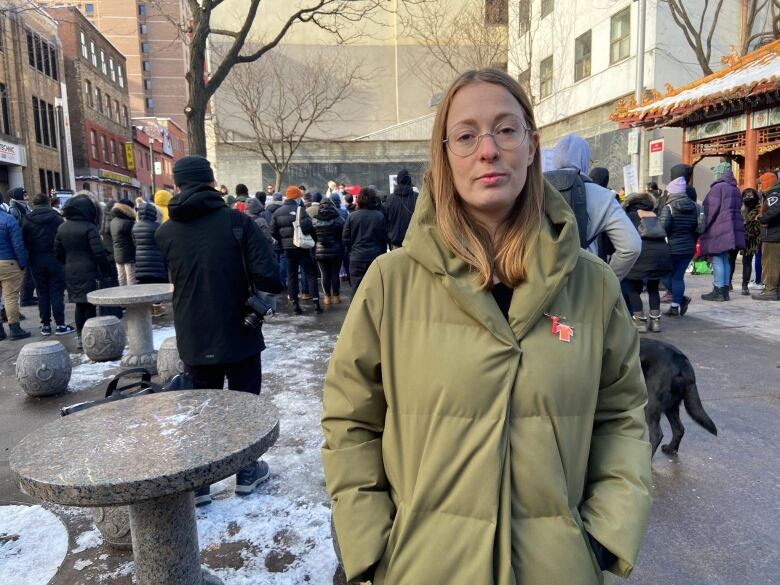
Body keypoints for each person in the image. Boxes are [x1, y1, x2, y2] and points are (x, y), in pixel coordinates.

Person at [322, 68, 651, 585]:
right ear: (444, 154)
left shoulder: (593, 287)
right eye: (466, 135)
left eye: (505, 129)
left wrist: (601, 536)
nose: (489, 150)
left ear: (532, 145)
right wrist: (373, 545)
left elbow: (622, 416)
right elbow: (350, 422)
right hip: (422, 568)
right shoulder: (391, 283)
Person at [156, 155, 283, 504]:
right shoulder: (237, 222)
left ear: (177, 185)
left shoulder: (165, 232)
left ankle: (200, 482)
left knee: (201, 408)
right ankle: (246, 471)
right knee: (244, 404)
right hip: (239, 329)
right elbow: (270, 275)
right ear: (212, 182)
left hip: (192, 334)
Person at [547, 134, 642, 279]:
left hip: (538, 283)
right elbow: (631, 248)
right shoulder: (604, 196)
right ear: (585, 160)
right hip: (583, 281)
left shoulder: (532, 190)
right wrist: (607, 281)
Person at [55, 192, 112, 348]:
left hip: (70, 270)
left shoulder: (62, 228)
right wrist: (106, 270)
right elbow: (99, 252)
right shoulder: (89, 227)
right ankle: (91, 337)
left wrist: (67, 263)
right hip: (89, 269)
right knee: (90, 304)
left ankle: (81, 336)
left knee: (80, 305)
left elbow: (58, 253)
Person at [22, 193, 73, 336]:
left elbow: (23, 241)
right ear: (48, 203)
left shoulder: (27, 219)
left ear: (35, 204)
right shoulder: (57, 219)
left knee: (42, 293)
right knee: (57, 292)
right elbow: (64, 239)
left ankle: (45, 325)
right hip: (55, 260)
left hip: (36, 261)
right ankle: (60, 325)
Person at [621, 193, 672, 332]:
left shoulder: (630, 216)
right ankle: (655, 322)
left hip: (641, 254)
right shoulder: (654, 215)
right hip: (660, 255)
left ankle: (640, 322)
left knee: (632, 287)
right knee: (653, 288)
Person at [271, 186, 321, 314]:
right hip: (302, 247)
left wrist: (283, 240)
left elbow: (274, 232)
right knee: (310, 273)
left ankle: (295, 304)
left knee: (291, 275)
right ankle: (316, 302)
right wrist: (313, 241)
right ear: (297, 197)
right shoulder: (300, 210)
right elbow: (308, 227)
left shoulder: (277, 212)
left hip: (287, 249)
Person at [699, 162, 745, 301]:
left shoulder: (718, 188)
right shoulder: (735, 189)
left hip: (718, 228)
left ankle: (718, 290)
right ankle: (724, 290)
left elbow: (710, 210)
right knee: (725, 259)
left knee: (717, 259)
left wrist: (703, 227)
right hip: (730, 229)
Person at [658, 176, 698, 316]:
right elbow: (700, 228)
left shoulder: (668, 207)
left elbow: (662, 228)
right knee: (678, 277)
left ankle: (680, 300)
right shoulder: (695, 206)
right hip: (688, 247)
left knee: (663, 275)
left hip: (671, 247)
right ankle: (676, 305)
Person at [342, 187, 388, 293]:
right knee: (376, 288)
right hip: (375, 256)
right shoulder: (379, 216)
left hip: (357, 256)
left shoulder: (352, 217)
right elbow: (384, 238)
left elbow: (345, 238)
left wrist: (352, 250)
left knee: (357, 289)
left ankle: (357, 309)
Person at [0, 201, 31, 340]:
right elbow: (17, 244)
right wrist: (23, 263)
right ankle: (15, 328)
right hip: (8, 262)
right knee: (10, 297)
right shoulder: (8, 219)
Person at [313, 198, 346, 304]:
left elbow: (313, 236)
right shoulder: (339, 219)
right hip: (336, 250)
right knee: (335, 273)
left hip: (320, 251)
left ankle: (327, 297)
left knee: (324, 274)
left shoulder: (315, 220)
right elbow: (344, 235)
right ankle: (336, 297)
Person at [8, 187, 36, 307]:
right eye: (25, 195)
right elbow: (17, 227)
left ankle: (28, 296)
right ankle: (25, 298)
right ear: (19, 196)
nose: (27, 197)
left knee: (30, 272)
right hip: (24, 243)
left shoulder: (24, 207)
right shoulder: (15, 209)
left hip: (28, 242)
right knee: (27, 272)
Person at [754, 173, 780, 301]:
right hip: (776, 235)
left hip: (772, 235)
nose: (760, 186)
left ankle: (770, 289)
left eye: (761, 183)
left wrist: (763, 219)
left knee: (770, 264)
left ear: (768, 183)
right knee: (775, 263)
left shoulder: (773, 195)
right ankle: (775, 289)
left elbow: (775, 209)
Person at [132, 202, 167, 286]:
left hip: (141, 267)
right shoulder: (158, 227)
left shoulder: (135, 227)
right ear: (153, 213)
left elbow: (135, 243)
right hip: (157, 266)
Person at [385, 169, 418, 249]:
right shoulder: (417, 197)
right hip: (414, 242)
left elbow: (386, 221)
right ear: (409, 181)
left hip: (396, 242)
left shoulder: (390, 199)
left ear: (398, 181)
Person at [740, 188, 762, 296]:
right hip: (739, 237)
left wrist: (748, 234)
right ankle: (728, 283)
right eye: (746, 196)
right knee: (733, 260)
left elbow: (758, 226)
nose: (748, 198)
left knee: (747, 262)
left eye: (750, 196)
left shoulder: (759, 208)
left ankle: (745, 285)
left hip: (752, 240)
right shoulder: (741, 207)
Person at [110, 199, 137, 286]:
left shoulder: (113, 221)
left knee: (121, 279)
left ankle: (121, 297)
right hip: (129, 254)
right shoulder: (128, 223)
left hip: (117, 254)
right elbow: (134, 239)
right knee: (131, 279)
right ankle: (132, 298)